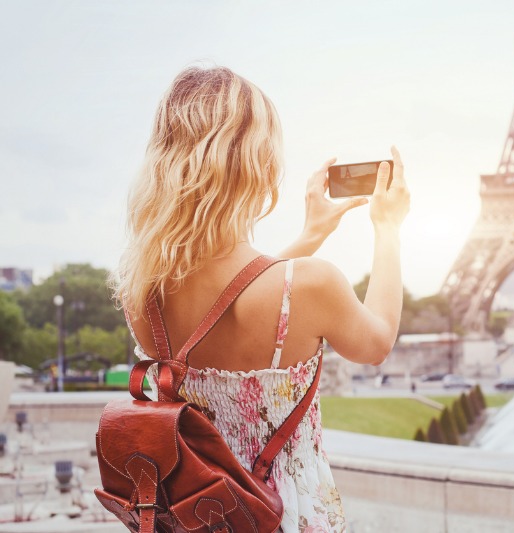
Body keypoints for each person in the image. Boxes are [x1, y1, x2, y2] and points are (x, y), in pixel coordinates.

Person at [111, 65, 410, 533]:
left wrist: (309, 236)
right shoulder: (313, 285)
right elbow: (376, 342)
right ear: (259, 163)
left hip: (194, 514)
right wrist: (387, 227)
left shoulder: (142, 290)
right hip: (280, 514)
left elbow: (229, 302)